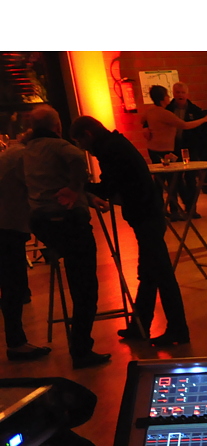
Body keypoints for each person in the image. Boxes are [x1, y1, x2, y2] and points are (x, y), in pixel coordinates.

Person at [70, 116, 190, 347]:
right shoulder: (115, 144)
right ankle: (141, 325)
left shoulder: (109, 150)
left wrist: (80, 185)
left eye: (80, 141)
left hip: (144, 215)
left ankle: (177, 329)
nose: (82, 148)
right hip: (149, 212)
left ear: (88, 135)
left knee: (160, 274)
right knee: (150, 272)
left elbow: (108, 187)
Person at [22, 105, 109, 368]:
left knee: (76, 277)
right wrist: (74, 189)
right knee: (85, 287)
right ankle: (81, 349)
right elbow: (77, 159)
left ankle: (79, 346)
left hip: (42, 222)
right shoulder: (59, 147)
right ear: (57, 125)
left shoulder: (27, 150)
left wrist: (85, 195)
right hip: (69, 222)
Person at [0, 131, 50, 361]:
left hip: (6, 224)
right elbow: (38, 187)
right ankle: (16, 343)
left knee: (12, 285)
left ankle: (17, 341)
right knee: (13, 285)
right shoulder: (23, 157)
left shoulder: (12, 154)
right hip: (7, 226)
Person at [164, 82, 207, 220]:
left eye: (183, 93)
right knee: (173, 180)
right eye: (177, 92)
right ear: (173, 93)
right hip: (172, 149)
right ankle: (174, 210)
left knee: (191, 179)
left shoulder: (195, 110)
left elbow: (202, 131)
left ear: (187, 94)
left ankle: (191, 209)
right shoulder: (167, 109)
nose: (180, 95)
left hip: (190, 148)